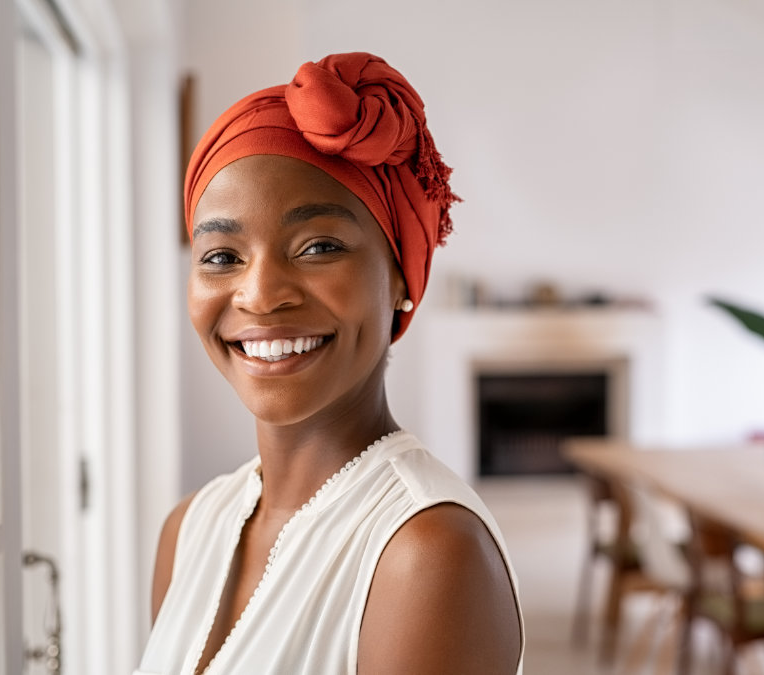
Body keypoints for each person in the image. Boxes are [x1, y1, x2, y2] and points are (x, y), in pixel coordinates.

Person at [135, 52, 524, 674]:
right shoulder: (188, 529)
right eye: (220, 255)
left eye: (318, 246)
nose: (259, 295)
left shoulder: (424, 554)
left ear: (401, 276)